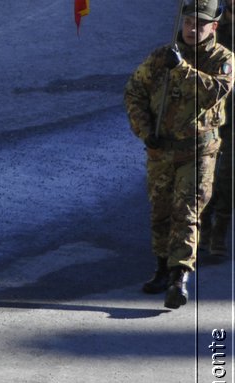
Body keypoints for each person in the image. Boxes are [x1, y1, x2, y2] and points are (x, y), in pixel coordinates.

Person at [125, 0, 234, 307]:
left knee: (186, 214)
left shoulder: (222, 59)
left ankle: (179, 277)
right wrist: (146, 131)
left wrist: (183, 70)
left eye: (199, 24)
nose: (191, 29)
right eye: (188, 22)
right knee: (160, 211)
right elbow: (134, 90)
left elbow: (215, 92)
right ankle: (161, 268)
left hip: (198, 152)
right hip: (162, 150)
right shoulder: (162, 56)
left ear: (213, 27)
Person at [200, 3, 235, 263]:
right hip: (211, 112)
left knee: (227, 174)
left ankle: (219, 230)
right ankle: (203, 228)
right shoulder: (212, 27)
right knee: (205, 172)